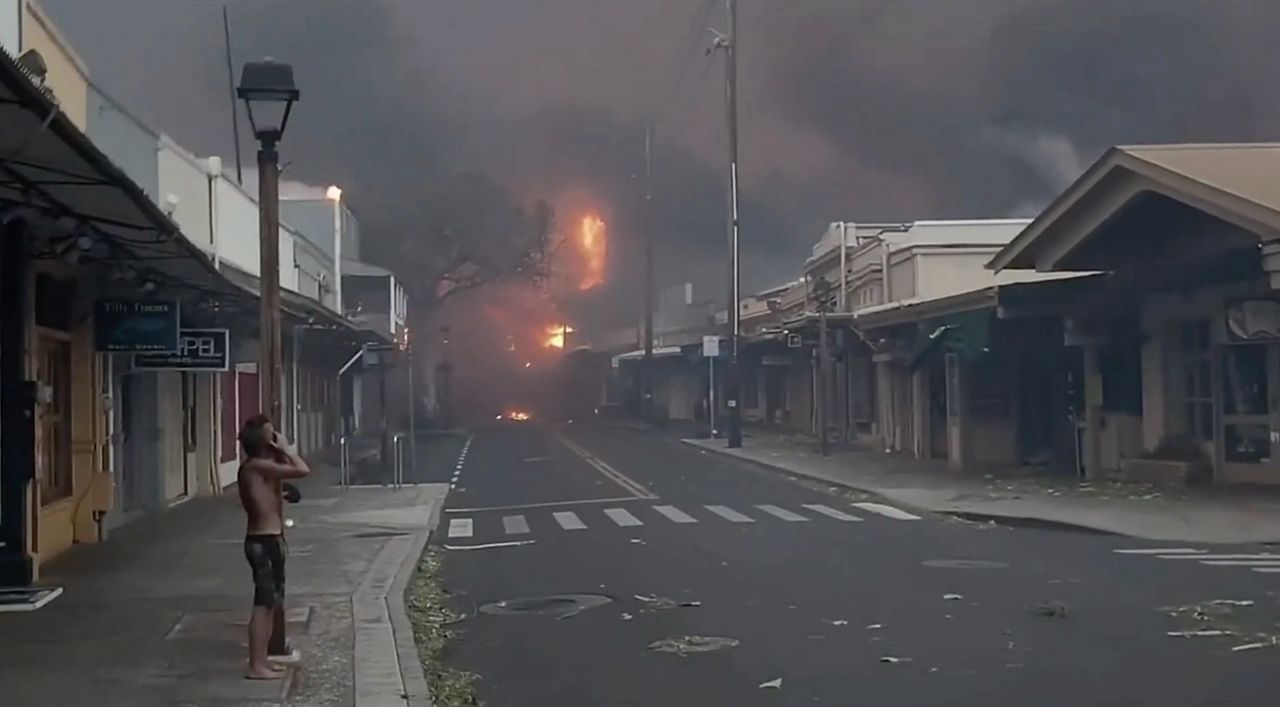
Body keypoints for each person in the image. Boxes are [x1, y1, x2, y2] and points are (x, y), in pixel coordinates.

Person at [237, 414, 310, 680]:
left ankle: (262, 660)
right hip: (262, 542)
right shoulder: (255, 467)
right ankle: (255, 665)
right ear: (267, 442)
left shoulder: (261, 469)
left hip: (270, 539)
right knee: (262, 603)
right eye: (273, 435)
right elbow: (302, 470)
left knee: (270, 603)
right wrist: (287, 448)